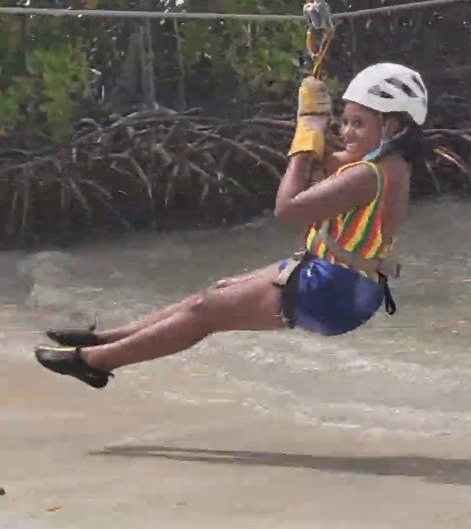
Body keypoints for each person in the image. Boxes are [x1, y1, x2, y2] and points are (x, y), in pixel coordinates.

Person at [34, 63, 428, 389]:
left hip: (330, 290)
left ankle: (95, 362)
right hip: (345, 284)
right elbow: (329, 160)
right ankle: (105, 339)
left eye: (357, 123)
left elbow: (288, 209)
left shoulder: (366, 176)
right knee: (213, 295)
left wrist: (303, 141)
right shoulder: (390, 165)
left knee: (207, 312)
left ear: (392, 127)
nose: (345, 132)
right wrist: (311, 125)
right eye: (344, 121)